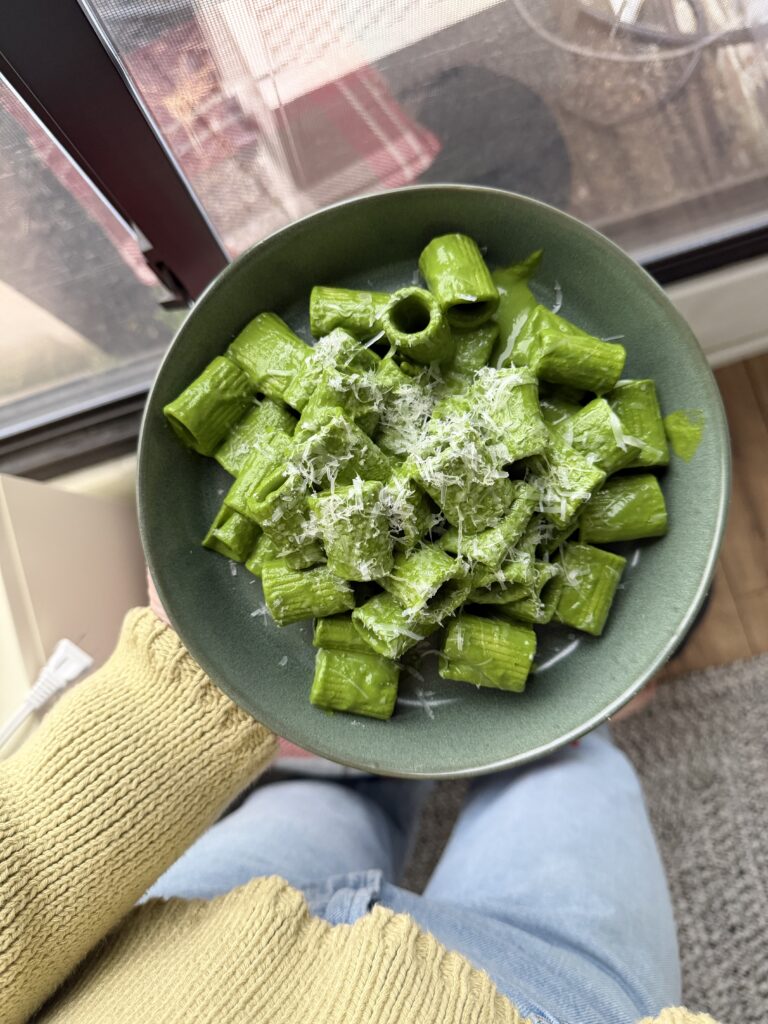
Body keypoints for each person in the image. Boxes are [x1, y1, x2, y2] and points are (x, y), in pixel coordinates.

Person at [0, 594, 717, 1024]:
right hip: (540, 999)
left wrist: (169, 690)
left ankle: (398, 727)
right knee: (568, 773)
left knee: (323, 783)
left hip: (187, 946)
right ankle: (573, 713)